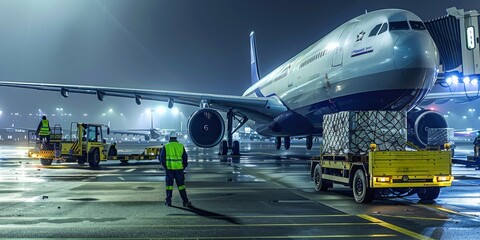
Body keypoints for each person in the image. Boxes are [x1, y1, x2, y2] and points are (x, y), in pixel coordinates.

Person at [160, 131, 192, 207]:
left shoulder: (166, 146)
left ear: (170, 138)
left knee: (169, 186)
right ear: (176, 138)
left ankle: (168, 201)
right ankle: (185, 201)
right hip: (179, 170)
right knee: (181, 186)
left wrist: (166, 167)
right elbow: (185, 158)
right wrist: (183, 167)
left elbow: (162, 158)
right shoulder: (181, 146)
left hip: (169, 169)